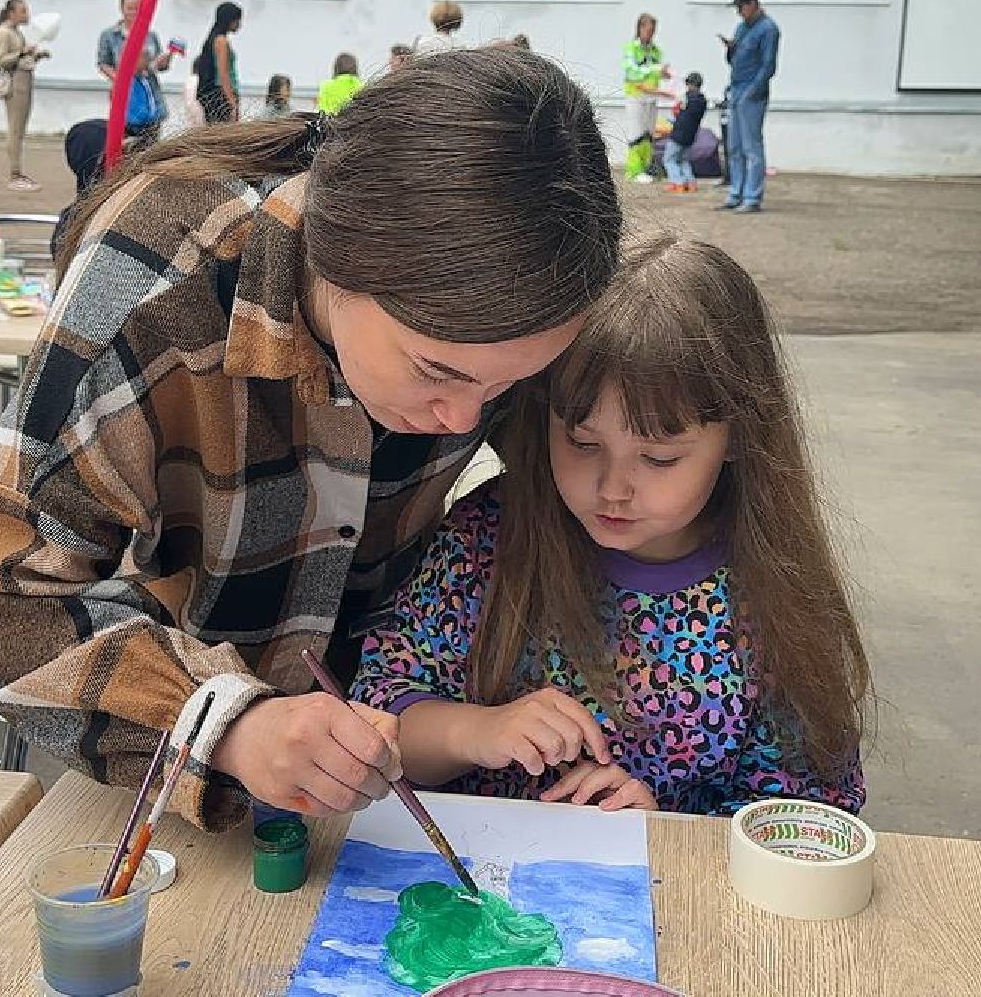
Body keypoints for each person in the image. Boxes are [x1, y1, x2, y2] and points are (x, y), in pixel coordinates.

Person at [0, 47, 622, 832]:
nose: (464, 423)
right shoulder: (159, 278)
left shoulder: (521, 286)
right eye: (437, 372)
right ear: (339, 260)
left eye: (502, 389)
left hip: (379, 762)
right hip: (167, 766)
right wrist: (227, 724)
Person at [351, 232, 869, 816]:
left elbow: (804, 814)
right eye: (582, 442)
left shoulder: (773, 594)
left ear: (738, 438)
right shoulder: (487, 538)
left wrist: (662, 830)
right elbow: (377, 714)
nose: (612, 489)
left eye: (659, 458)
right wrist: (477, 732)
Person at [721, 0, 778, 215]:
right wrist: (730, 50)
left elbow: (768, 65)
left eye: (741, 7)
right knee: (734, 147)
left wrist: (753, 91)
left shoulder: (768, 29)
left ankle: (752, 197)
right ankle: (736, 193)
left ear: (753, 3)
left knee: (751, 147)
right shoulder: (742, 27)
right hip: (736, 89)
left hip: (752, 94)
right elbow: (734, 61)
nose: (738, 12)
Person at [97, 0, 173, 136]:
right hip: (126, 95)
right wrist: (120, 79)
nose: (133, 13)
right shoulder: (109, 35)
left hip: (149, 93)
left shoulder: (151, 36)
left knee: (151, 138)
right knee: (128, 140)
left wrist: (166, 60)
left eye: (137, 9)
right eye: (129, 8)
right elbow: (103, 63)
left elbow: (159, 66)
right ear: (121, 9)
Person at [0, 0, 49, 193]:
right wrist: (21, 52)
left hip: (24, 82)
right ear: (11, 13)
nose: (27, 16)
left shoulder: (16, 32)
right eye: (23, 11)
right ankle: (14, 173)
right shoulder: (4, 32)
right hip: (15, 85)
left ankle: (18, 172)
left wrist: (36, 55)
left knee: (20, 128)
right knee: (15, 128)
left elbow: (20, 57)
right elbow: (0, 60)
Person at [623, 14, 670, 185]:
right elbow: (631, 72)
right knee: (636, 133)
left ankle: (645, 167)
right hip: (636, 96)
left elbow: (654, 72)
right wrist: (656, 70)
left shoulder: (656, 51)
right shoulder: (631, 49)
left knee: (649, 134)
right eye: (648, 30)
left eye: (653, 31)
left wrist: (663, 74)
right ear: (640, 28)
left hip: (651, 96)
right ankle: (634, 170)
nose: (650, 34)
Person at [193, 1, 244, 124]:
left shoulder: (213, 38)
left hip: (215, 94)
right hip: (220, 94)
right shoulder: (221, 41)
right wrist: (231, 100)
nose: (239, 24)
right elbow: (223, 73)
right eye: (237, 20)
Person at [663, 72, 706, 195]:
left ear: (688, 84)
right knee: (683, 160)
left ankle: (678, 183)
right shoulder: (702, 101)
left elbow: (676, 107)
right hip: (691, 135)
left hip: (678, 134)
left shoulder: (686, 97)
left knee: (669, 160)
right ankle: (691, 183)